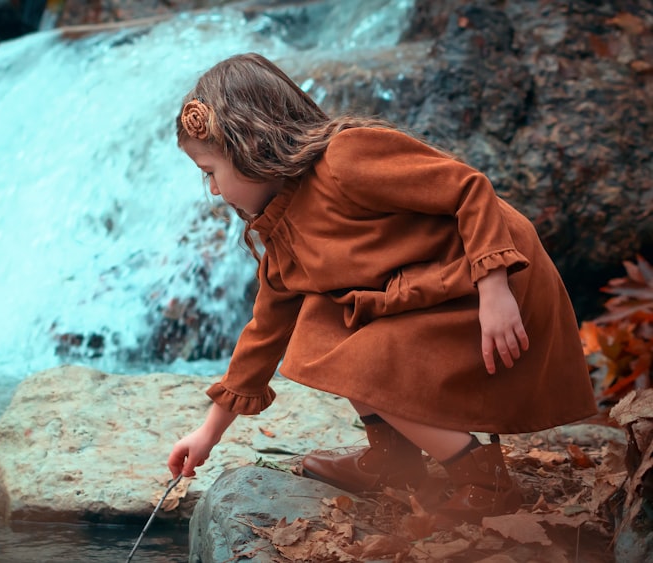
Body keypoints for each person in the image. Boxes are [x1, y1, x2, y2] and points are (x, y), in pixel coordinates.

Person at [165, 53, 598, 522]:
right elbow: (264, 334)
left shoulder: (347, 160)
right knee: (319, 326)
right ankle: (393, 458)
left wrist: (495, 288)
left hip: (495, 277)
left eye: (210, 171)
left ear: (250, 144)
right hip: (431, 292)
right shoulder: (284, 231)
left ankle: (483, 479)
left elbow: (469, 188)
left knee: (350, 353)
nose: (210, 190)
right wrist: (208, 433)